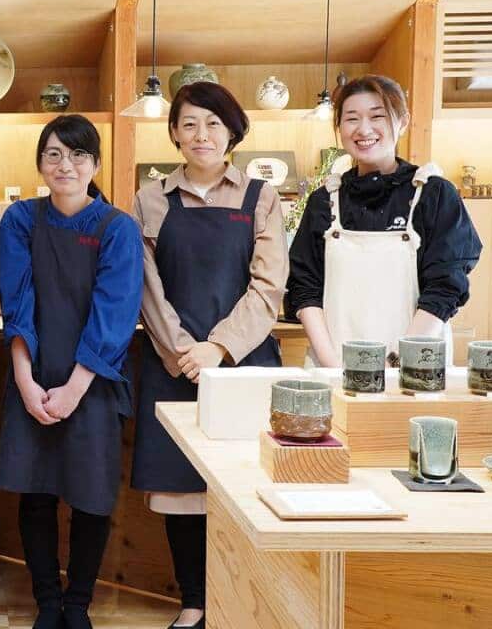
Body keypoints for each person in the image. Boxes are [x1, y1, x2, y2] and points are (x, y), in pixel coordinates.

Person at [130, 83, 288, 629]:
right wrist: (184, 352)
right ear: (174, 132)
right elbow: (146, 287)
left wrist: (218, 348)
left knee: (244, 487)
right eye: (190, 123)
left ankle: (242, 603)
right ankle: (195, 603)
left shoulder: (261, 197)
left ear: (232, 132)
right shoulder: (150, 199)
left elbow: (268, 287)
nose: (202, 135)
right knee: (182, 492)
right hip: (174, 365)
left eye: (213, 123)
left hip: (244, 366)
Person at [0, 115, 143, 629]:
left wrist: (75, 388)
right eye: (54, 154)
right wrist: (25, 380)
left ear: (95, 164)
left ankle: (78, 603)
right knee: (35, 492)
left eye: (78, 155)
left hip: (92, 383)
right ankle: (47, 601)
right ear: (40, 163)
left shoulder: (117, 228)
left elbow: (114, 313)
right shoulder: (21, 220)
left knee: (91, 497)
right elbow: (17, 301)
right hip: (32, 378)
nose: (66, 165)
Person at [287, 74, 481, 366]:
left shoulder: (434, 194)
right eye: (351, 118)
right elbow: (305, 288)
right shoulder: (324, 200)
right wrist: (334, 367)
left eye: (377, 116)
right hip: (334, 364)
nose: (364, 129)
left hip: (415, 366)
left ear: (402, 121)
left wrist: (398, 362)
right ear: (339, 128)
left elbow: (445, 287)